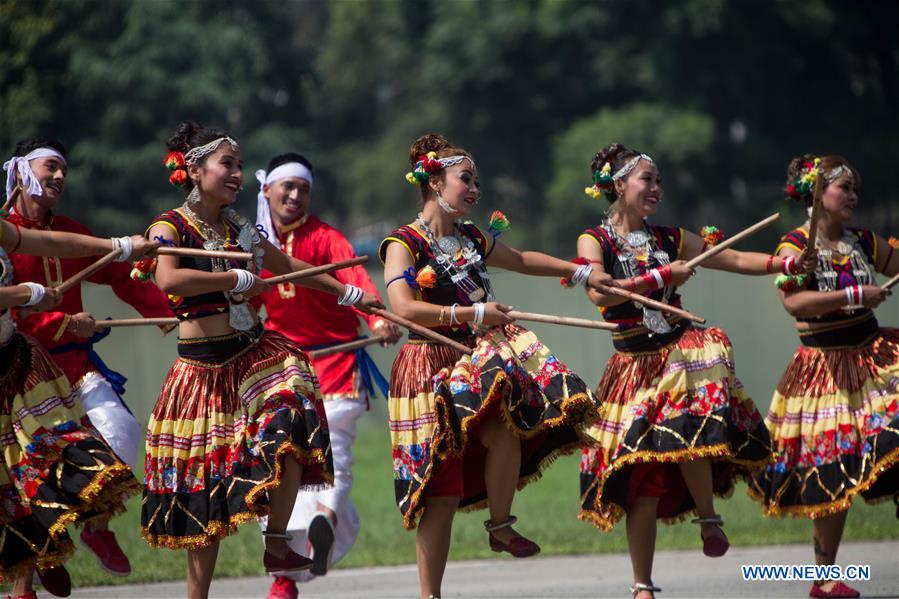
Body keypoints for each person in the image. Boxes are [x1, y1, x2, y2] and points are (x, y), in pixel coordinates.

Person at [140, 121, 383, 599]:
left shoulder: (238, 227)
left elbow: (287, 266)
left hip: (249, 356)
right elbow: (168, 279)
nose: (236, 174)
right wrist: (230, 281)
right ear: (195, 169)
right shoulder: (171, 226)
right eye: (227, 164)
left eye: (240, 165)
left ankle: (276, 542)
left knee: (292, 420)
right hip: (202, 372)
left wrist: (346, 291)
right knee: (204, 503)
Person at [575, 143, 815, 599]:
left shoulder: (668, 239)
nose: (657, 189)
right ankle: (642, 585)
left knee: (692, 435)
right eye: (648, 180)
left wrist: (783, 264)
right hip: (632, 368)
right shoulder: (595, 241)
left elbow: (730, 257)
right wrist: (662, 278)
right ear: (619, 184)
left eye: (659, 181)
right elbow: (600, 294)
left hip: (679, 357)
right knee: (640, 477)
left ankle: (709, 518)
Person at [381, 133, 610, 599]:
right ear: (433, 182)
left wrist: (579, 270)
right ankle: (431, 596)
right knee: (440, 491)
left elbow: (522, 259)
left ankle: (501, 525)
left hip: (476, 360)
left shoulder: (470, 237)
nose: (475, 189)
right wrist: (473, 314)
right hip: (428, 364)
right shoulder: (401, 243)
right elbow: (402, 308)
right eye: (466, 179)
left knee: (503, 429)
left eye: (476, 181)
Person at [5, 137, 173, 577]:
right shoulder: (6, 234)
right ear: (22, 172)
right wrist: (62, 320)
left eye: (64, 169)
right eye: (50, 167)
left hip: (76, 365)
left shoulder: (70, 229)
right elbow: (13, 314)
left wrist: (171, 314)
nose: (60, 176)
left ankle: (94, 526)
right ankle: (43, 549)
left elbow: (121, 274)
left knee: (122, 431)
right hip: (20, 372)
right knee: (25, 475)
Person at [748, 155, 898, 599]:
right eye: (842, 188)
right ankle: (824, 577)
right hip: (824, 370)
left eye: (854, 189)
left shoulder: (865, 242)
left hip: (875, 356)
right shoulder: (795, 246)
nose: (852, 196)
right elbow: (794, 304)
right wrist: (856, 293)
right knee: (832, 471)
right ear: (816, 194)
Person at [253, 151, 401, 599]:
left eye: (304, 190)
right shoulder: (251, 244)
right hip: (281, 368)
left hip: (336, 365)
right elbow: (246, 302)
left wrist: (376, 317)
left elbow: (354, 276)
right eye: (288, 188)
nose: (296, 196)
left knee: (332, 451)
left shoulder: (325, 238)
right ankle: (300, 551)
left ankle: (313, 539)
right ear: (267, 191)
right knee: (275, 463)